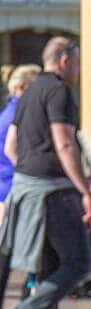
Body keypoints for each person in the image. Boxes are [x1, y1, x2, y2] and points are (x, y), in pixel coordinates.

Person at [0, 37, 91, 309]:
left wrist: (30, 171)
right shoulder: (59, 91)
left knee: (50, 269)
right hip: (53, 192)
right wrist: (84, 190)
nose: (78, 70)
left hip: (28, 188)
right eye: (78, 63)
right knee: (79, 264)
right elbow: (65, 144)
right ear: (66, 60)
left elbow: (11, 146)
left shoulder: (30, 91)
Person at [0, 64, 41, 220]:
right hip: (12, 187)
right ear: (21, 87)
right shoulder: (19, 114)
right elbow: (11, 150)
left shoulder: (9, 111)